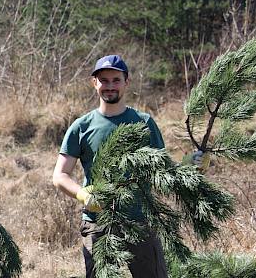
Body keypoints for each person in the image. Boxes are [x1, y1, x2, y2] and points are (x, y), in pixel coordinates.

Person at [52, 54, 200, 278]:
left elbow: (161, 171)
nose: (109, 86)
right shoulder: (81, 127)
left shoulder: (143, 122)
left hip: (140, 220)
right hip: (97, 223)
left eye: (116, 80)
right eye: (104, 80)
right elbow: (60, 175)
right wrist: (83, 195)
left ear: (126, 82)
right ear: (95, 83)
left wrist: (189, 166)